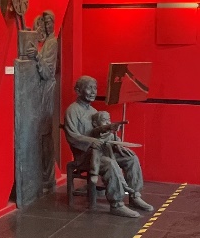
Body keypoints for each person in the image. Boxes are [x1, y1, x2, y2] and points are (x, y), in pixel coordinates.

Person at [64, 76, 153, 218]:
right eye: (89, 88)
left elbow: (103, 133)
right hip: (85, 155)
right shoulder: (72, 111)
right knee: (110, 164)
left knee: (130, 157)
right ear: (78, 90)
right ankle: (117, 203)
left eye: (95, 88)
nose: (93, 92)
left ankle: (135, 195)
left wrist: (118, 143)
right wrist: (92, 141)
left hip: (104, 150)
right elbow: (72, 136)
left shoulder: (94, 111)